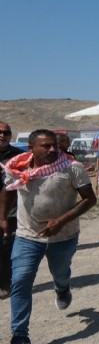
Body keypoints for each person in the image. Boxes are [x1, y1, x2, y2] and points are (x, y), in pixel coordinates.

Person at [0, 129, 97, 344]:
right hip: (27, 236)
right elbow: (8, 192)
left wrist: (60, 221)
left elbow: (90, 199)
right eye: (46, 146)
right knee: (20, 281)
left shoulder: (72, 168)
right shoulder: (18, 167)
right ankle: (20, 337)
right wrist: (3, 217)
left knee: (60, 271)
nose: (53, 149)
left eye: (55, 145)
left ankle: (62, 288)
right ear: (31, 148)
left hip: (63, 236)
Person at [0, 121, 25, 300]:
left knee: (5, 246)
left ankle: (4, 282)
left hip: (11, 208)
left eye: (6, 133)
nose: (2, 135)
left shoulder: (19, 156)